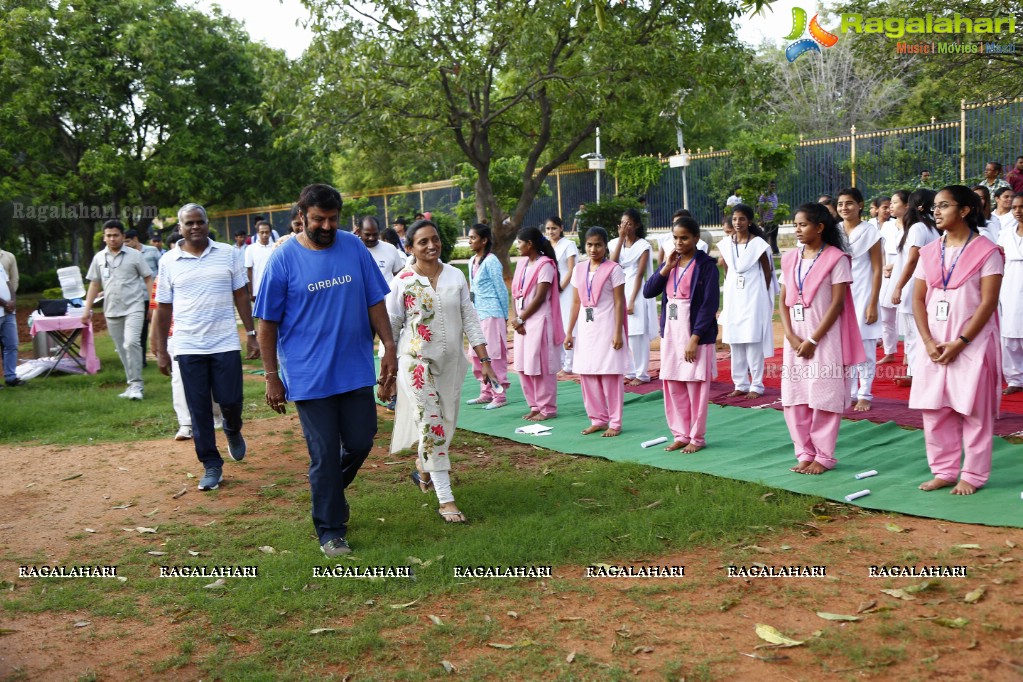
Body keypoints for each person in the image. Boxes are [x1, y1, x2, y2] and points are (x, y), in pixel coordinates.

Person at [255, 184, 397, 554]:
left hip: (353, 369)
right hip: (308, 375)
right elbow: (266, 323)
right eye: (319, 219)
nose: (327, 226)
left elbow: (374, 301)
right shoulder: (283, 259)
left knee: (362, 441)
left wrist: (389, 347)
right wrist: (272, 376)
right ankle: (330, 529)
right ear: (302, 216)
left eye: (333, 219)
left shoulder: (353, 247)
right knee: (324, 456)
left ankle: (329, 491)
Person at [385, 219, 495, 523]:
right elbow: (392, 327)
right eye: (423, 242)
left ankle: (423, 467)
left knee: (446, 422)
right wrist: (388, 371)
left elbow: (470, 318)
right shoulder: (402, 281)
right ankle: (446, 500)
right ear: (409, 248)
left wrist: (485, 359)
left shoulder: (455, 276)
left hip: (452, 364)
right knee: (432, 424)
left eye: (435, 239)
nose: (431, 246)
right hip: (415, 363)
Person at [153, 203, 259, 491]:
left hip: (224, 341)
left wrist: (251, 333)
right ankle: (211, 465)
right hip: (188, 345)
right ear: (180, 228)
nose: (195, 227)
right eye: (189, 223)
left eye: (200, 222)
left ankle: (232, 428)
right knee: (198, 409)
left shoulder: (228, 253)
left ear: (207, 223)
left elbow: (241, 294)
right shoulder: (168, 261)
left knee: (231, 400)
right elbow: (163, 308)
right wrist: (161, 349)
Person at [910, 185, 1003, 495]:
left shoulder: (986, 251)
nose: (935, 211)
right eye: (935, 206)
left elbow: (988, 302)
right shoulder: (929, 252)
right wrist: (926, 341)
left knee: (974, 410)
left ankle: (973, 475)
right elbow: (918, 300)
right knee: (935, 410)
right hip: (934, 343)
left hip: (971, 342)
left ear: (964, 210)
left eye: (944, 205)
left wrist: (961, 342)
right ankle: (944, 470)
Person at [779, 203, 864, 475]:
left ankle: (823, 456)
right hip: (795, 341)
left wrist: (813, 339)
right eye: (796, 224)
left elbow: (837, 304)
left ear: (820, 227)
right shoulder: (790, 258)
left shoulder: (836, 259)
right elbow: (782, 301)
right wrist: (790, 335)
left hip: (824, 339)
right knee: (795, 397)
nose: (798, 230)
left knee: (823, 397)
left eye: (803, 224)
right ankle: (804, 452)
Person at [643, 216, 720, 452]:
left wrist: (695, 338)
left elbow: (709, 305)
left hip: (694, 333)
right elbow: (649, 291)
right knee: (673, 384)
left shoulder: (706, 265)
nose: (679, 242)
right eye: (675, 238)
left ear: (696, 238)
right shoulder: (671, 263)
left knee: (695, 386)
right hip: (671, 332)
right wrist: (666, 267)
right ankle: (680, 433)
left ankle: (696, 437)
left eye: (684, 238)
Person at [148, 232, 223, 441]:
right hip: (177, 337)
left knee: (211, 380)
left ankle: (217, 415)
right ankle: (186, 423)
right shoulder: (165, 272)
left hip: (209, 334)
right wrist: (156, 341)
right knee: (179, 379)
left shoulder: (211, 269)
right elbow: (157, 310)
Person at [564, 227, 629, 437]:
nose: (594, 249)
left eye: (598, 244)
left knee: (610, 374)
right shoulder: (579, 270)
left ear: (605, 246)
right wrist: (569, 333)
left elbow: (619, 302)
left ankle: (615, 422)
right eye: (590, 245)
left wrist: (618, 332)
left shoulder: (614, 269)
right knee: (588, 374)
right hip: (586, 328)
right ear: (585, 245)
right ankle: (597, 418)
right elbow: (575, 303)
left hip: (607, 326)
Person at [81, 219, 153, 400]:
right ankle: (131, 384)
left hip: (134, 307)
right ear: (104, 237)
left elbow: (148, 279)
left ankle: (137, 385)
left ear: (122, 236)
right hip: (112, 310)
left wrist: (153, 305)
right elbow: (94, 284)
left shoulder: (135, 255)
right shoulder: (98, 258)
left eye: (116, 235)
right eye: (109, 236)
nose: (112, 239)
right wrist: (86, 309)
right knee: (122, 349)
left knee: (131, 343)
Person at [719, 204, 776, 399]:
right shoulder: (726, 244)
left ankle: (757, 385)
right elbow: (726, 268)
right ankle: (740, 383)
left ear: (749, 221)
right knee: (735, 340)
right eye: (734, 219)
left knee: (752, 340)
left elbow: (767, 272)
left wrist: (761, 293)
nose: (737, 223)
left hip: (753, 295)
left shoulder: (758, 244)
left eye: (742, 219)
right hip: (734, 296)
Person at [511, 226, 564, 421]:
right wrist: (517, 318)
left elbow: (540, 297)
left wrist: (521, 318)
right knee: (524, 365)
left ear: (530, 244)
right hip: (522, 321)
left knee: (541, 366)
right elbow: (515, 292)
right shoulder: (522, 264)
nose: (517, 246)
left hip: (539, 320)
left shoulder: (545, 265)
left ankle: (547, 408)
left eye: (520, 242)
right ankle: (534, 405)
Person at [838, 188, 883, 412]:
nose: (844, 208)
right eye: (840, 204)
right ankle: (848, 391)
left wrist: (873, 302)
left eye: (849, 203)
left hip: (864, 292)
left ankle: (865, 392)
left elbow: (877, 269)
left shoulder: (870, 232)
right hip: (839, 294)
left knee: (865, 346)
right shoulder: (834, 231)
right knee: (842, 345)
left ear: (861, 205)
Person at [890, 188, 939, 384]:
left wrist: (898, 286)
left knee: (913, 334)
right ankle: (918, 373)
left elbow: (912, 259)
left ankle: (917, 375)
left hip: (913, 287)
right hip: (924, 285)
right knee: (920, 333)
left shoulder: (918, 228)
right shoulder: (933, 227)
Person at [609, 208, 657, 386]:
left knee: (637, 333)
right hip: (618, 288)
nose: (625, 226)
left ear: (636, 225)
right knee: (623, 332)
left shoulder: (643, 246)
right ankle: (628, 370)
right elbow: (612, 264)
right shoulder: (614, 243)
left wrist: (631, 300)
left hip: (635, 292)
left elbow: (639, 275)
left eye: (629, 223)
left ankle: (642, 373)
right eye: (622, 223)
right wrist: (621, 238)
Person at [466, 223, 510, 409]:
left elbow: (501, 290)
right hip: (477, 314)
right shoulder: (471, 261)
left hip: (492, 313)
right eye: (469, 238)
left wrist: (505, 316)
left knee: (493, 355)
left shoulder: (491, 261)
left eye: (473, 238)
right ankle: (485, 392)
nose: (470, 241)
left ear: (484, 240)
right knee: (477, 354)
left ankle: (499, 396)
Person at [546, 216, 578, 376]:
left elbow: (572, 269)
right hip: (551, 289)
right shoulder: (546, 247)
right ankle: (560, 362)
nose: (551, 231)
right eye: (548, 229)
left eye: (554, 228)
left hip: (567, 288)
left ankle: (570, 364)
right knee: (555, 325)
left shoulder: (569, 245)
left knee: (568, 324)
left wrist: (560, 288)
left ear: (561, 228)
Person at [124, 229, 160, 368]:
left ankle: (165, 354)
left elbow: (162, 269)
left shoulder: (152, 251)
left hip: (155, 296)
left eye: (128, 241)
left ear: (135, 239)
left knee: (160, 326)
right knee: (141, 330)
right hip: (138, 298)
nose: (126, 244)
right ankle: (141, 361)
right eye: (124, 241)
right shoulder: (127, 255)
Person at [999, 194, 1023, 395]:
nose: (1018, 211)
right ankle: (1015, 379)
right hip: (1009, 284)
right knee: (1009, 334)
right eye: (1015, 207)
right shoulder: (1005, 234)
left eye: (1022, 207)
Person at [878, 192, 903, 365]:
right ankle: (889, 351)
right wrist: (883, 267)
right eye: (889, 204)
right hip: (887, 270)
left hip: (904, 269)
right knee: (886, 313)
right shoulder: (887, 226)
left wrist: (895, 267)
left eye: (895, 203)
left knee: (906, 316)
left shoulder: (914, 226)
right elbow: (881, 249)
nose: (891, 207)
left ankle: (909, 356)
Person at [0, 250, 22, 387]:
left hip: (8, 312)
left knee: (12, 344)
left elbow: (8, 282)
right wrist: (5, 303)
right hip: (3, 308)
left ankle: (11, 377)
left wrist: (13, 301)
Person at [245, 221, 275, 303]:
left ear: (270, 233)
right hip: (258, 290)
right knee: (262, 315)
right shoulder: (250, 249)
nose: (264, 235)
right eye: (262, 232)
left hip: (275, 289)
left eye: (267, 232)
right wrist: (250, 291)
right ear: (258, 233)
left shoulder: (276, 247)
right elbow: (249, 271)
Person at [758, 181, 780, 255]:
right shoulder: (763, 196)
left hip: (775, 220)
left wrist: (779, 218)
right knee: (767, 236)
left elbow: (776, 207)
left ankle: (775, 251)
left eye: (774, 186)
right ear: (768, 186)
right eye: (771, 186)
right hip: (767, 220)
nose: (773, 187)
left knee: (774, 236)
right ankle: (764, 252)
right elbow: (761, 208)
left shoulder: (774, 195)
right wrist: (761, 220)